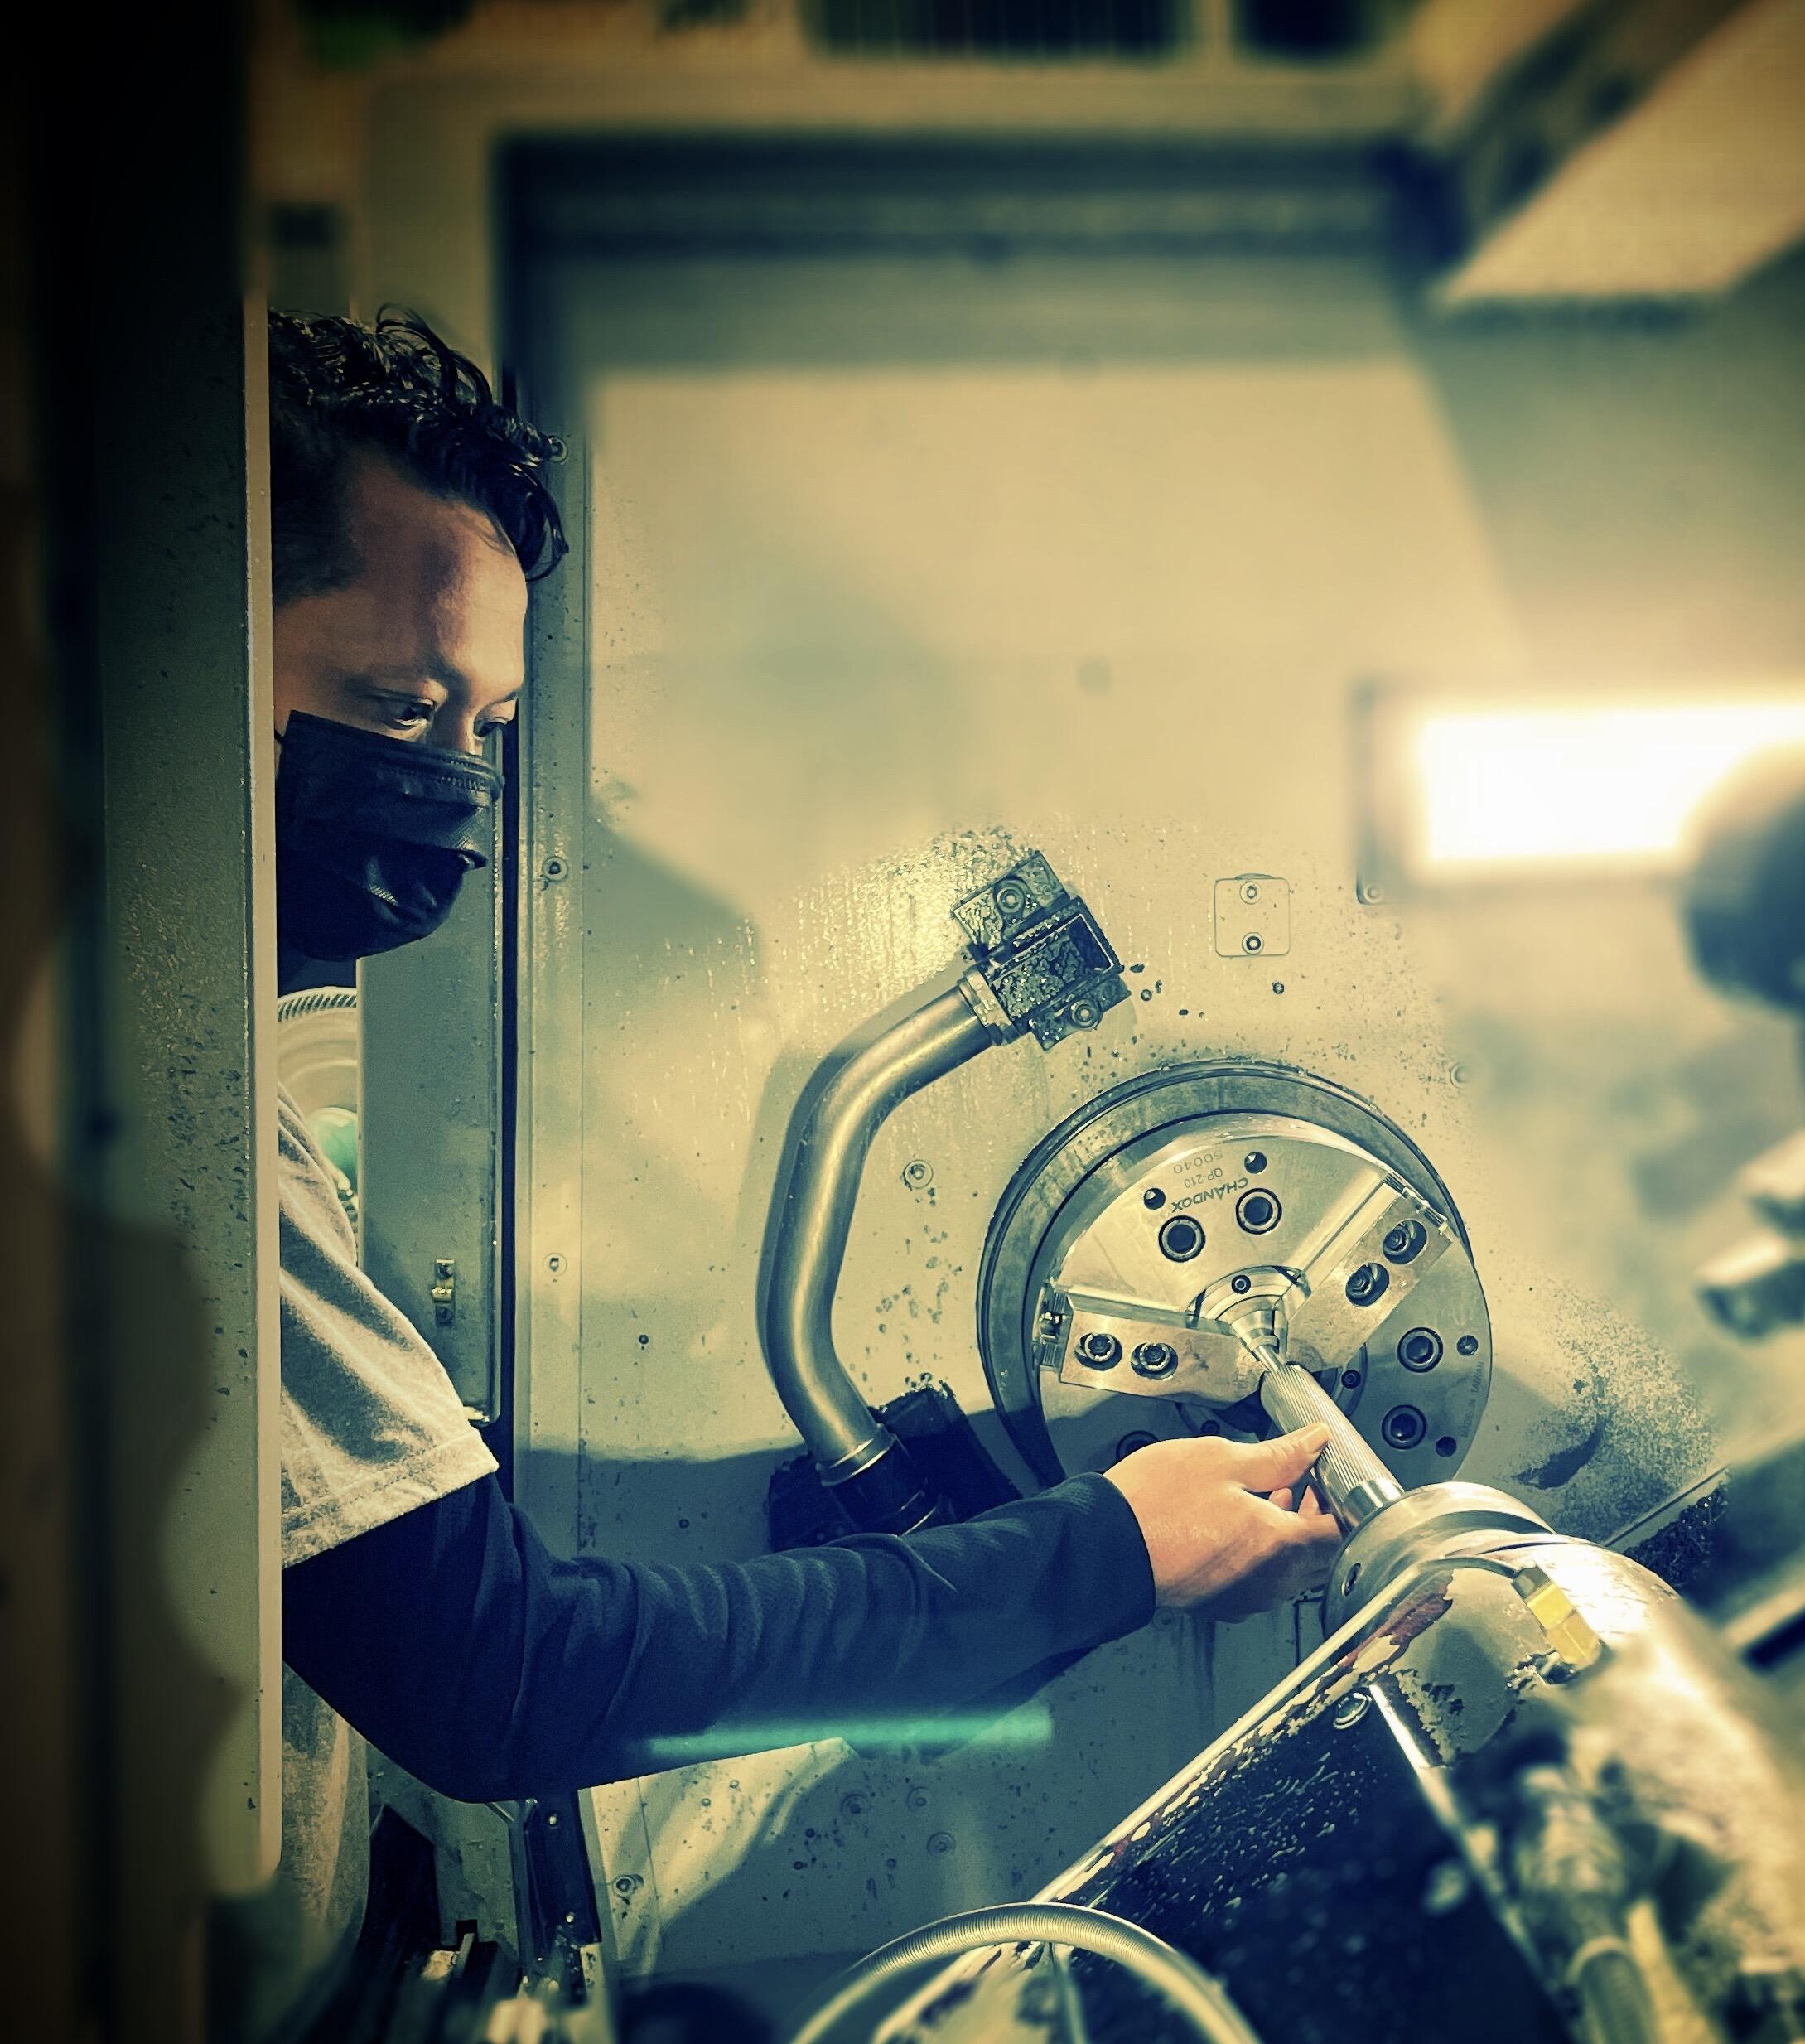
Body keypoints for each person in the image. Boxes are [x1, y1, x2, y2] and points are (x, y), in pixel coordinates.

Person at [215, 310, 1339, 2044]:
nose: (441, 783)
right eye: (391, 705)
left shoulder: (230, 1060)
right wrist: (1110, 1549)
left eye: (483, 727)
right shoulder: (180, 1137)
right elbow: (497, 1674)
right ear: (192, 648)